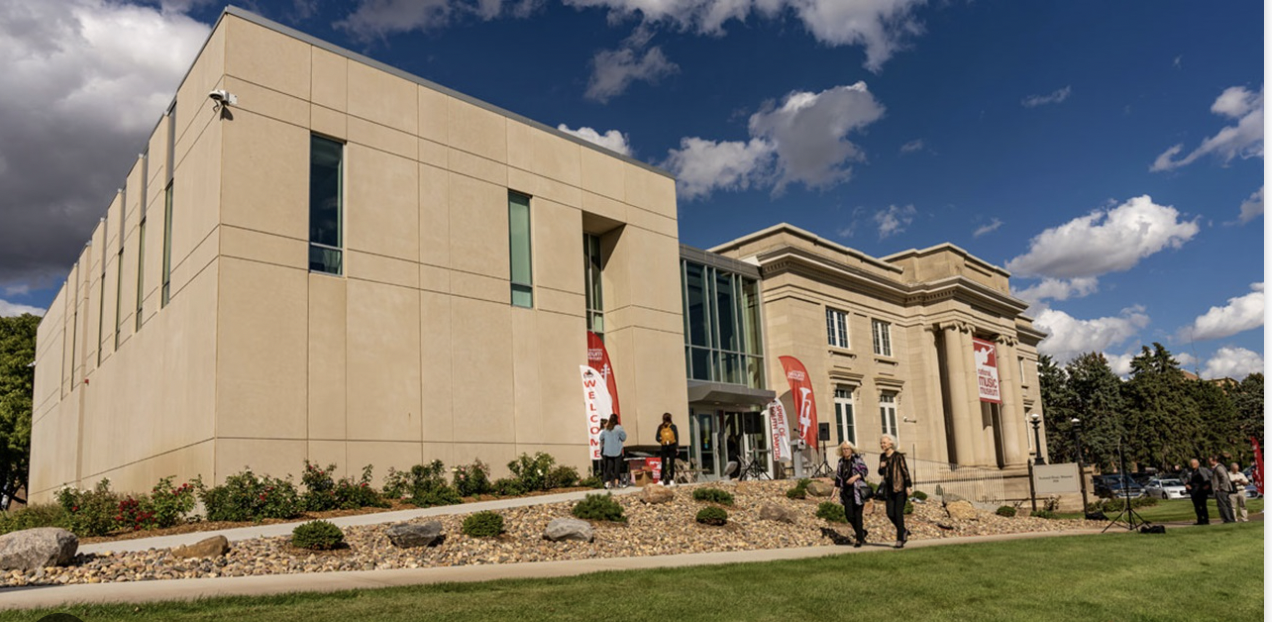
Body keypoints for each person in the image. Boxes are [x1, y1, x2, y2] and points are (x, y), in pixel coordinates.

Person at [832, 441, 870, 547]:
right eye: (844, 449)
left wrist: (855, 477)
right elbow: (838, 477)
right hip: (846, 493)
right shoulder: (841, 462)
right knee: (849, 516)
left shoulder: (856, 460)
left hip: (857, 492)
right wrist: (834, 491)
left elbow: (865, 471)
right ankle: (861, 532)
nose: (845, 451)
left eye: (847, 449)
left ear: (851, 450)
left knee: (858, 516)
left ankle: (859, 540)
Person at [878, 434, 912, 549]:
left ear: (891, 443)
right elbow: (881, 473)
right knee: (890, 513)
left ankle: (899, 539)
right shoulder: (882, 456)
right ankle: (903, 531)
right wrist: (881, 467)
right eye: (881, 443)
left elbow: (905, 471)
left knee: (898, 514)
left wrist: (908, 486)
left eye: (884, 442)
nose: (882, 445)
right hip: (889, 490)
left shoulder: (898, 456)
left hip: (900, 488)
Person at [599, 414, 627, 489]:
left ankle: (607, 483)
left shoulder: (606, 429)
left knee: (609, 467)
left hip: (608, 451)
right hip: (617, 450)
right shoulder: (619, 428)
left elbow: (601, 438)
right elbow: (624, 438)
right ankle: (616, 483)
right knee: (617, 467)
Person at [1208, 455, 1236, 523]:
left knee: (1223, 505)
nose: (1208, 462)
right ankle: (1231, 519)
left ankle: (1227, 519)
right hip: (1224, 489)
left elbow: (1224, 477)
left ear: (1214, 461)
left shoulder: (1219, 468)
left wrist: (1220, 487)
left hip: (1222, 490)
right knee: (1227, 504)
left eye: (1210, 461)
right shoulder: (1219, 467)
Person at [1184, 458, 1212, 525]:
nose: (1193, 465)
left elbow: (1211, 476)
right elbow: (1181, 477)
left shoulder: (1203, 470)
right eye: (1192, 464)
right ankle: (1200, 520)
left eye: (1194, 464)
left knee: (1203, 505)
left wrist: (1208, 484)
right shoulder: (1187, 470)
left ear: (1198, 464)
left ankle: (1206, 520)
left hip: (1202, 489)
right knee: (1196, 506)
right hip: (1193, 489)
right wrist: (1186, 484)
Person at [656, 413, 679, 486]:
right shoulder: (673, 426)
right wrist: (677, 447)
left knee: (664, 464)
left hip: (664, 447)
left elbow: (657, 438)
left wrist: (662, 441)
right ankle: (671, 480)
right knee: (672, 463)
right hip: (672, 446)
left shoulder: (660, 427)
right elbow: (676, 438)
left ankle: (661, 480)